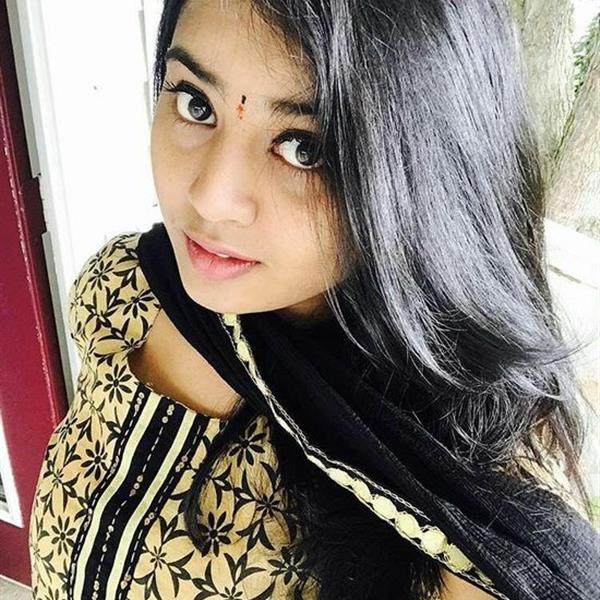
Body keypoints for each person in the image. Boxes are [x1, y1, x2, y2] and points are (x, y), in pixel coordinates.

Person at [29, 1, 600, 599]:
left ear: (428, 176)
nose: (211, 196)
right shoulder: (124, 286)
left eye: (305, 148)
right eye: (196, 103)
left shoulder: (465, 525)